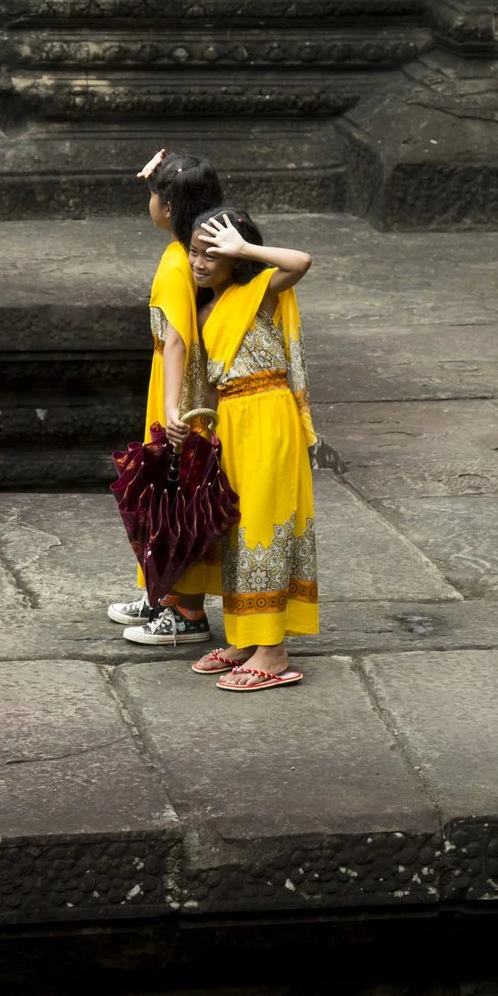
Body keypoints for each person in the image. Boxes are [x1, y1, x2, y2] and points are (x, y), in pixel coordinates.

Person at [166, 206, 318, 693]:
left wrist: (246, 249)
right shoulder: (207, 308)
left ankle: (273, 650)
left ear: (235, 254)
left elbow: (301, 261)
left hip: (269, 416)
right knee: (233, 530)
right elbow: (210, 384)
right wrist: (190, 427)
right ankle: (244, 638)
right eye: (195, 252)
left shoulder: (261, 290)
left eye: (213, 254)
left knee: (263, 526)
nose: (200, 262)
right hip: (229, 421)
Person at [108, 149, 226, 646]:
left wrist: (173, 409)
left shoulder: (178, 263)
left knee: (178, 491)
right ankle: (161, 591)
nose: (149, 203)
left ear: (170, 208)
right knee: (164, 492)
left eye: (155, 196)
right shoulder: (187, 254)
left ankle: (187, 613)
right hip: (175, 379)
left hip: (177, 384)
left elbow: (176, 337)